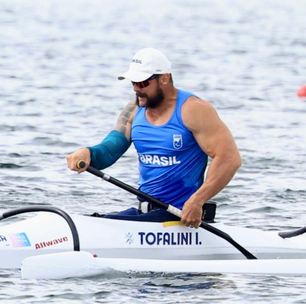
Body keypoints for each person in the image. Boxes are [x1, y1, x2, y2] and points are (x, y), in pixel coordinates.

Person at [66, 47, 241, 228]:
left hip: (180, 218)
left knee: (98, 227)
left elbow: (229, 158)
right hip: (145, 215)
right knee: (86, 222)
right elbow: (111, 149)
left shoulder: (193, 110)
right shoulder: (132, 110)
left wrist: (197, 201)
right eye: (133, 82)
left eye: (142, 83)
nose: (136, 89)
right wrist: (88, 153)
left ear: (164, 78)